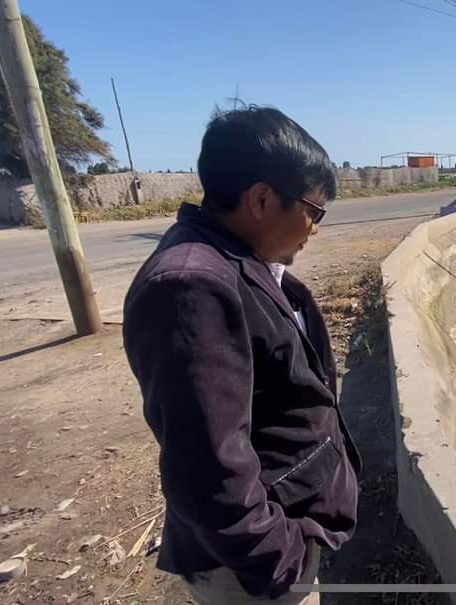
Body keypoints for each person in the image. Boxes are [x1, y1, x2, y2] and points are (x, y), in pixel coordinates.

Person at [122, 105, 360, 604]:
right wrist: (280, 558)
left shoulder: (240, 261)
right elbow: (207, 467)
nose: (314, 229)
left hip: (280, 530)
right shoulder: (192, 286)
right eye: (313, 212)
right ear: (261, 199)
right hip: (252, 570)